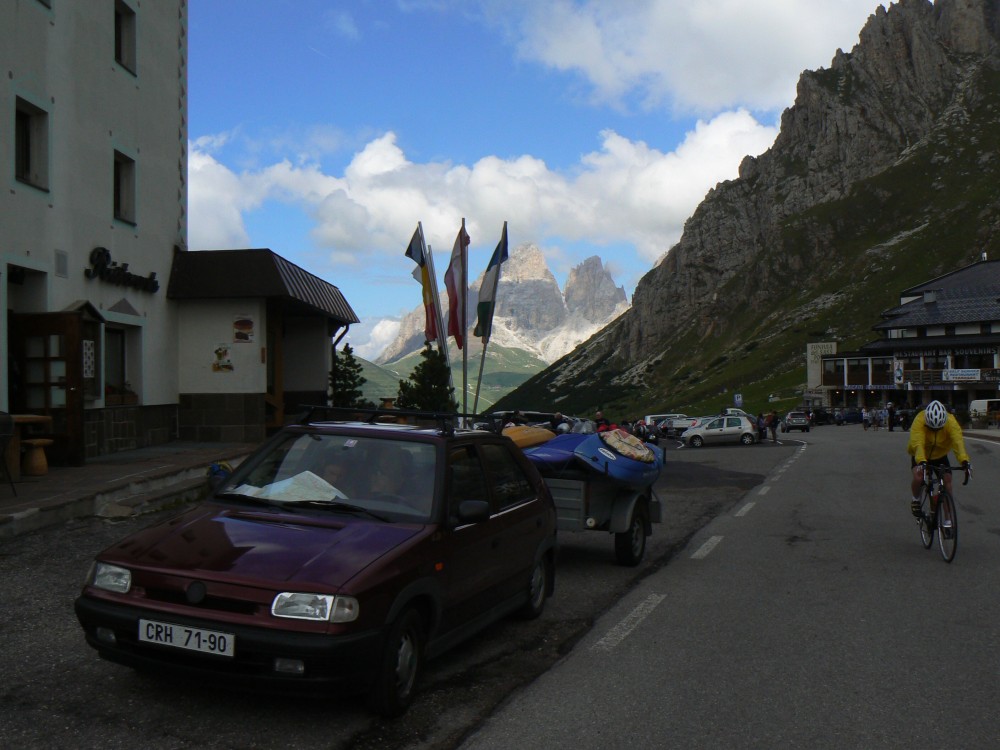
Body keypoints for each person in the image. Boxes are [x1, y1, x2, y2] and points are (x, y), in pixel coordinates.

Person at [907, 400, 971, 518]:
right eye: (931, 428)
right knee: (918, 476)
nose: (935, 431)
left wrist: (964, 460)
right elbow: (917, 442)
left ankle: (947, 520)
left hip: (940, 455)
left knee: (947, 481)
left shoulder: (951, 422)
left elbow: (958, 442)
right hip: (921, 454)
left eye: (938, 429)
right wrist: (921, 461)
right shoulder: (919, 420)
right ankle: (916, 499)